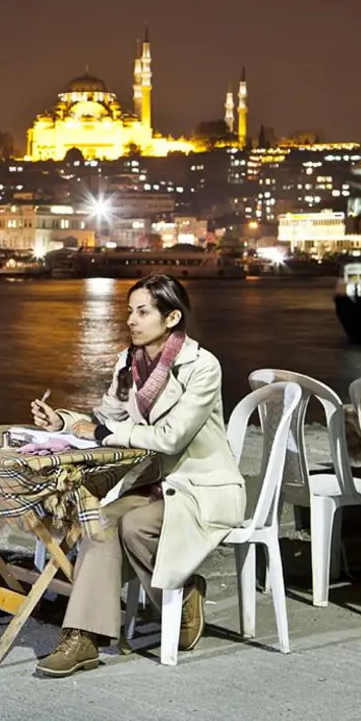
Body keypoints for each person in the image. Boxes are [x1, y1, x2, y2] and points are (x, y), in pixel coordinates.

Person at [28, 274, 245, 677]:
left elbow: (170, 436)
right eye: (130, 311)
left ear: (172, 317)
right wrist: (61, 420)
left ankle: (179, 598)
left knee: (132, 526)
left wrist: (102, 432)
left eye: (143, 312)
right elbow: (103, 418)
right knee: (100, 522)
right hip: (156, 485)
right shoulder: (130, 362)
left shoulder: (202, 367)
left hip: (201, 486)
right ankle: (83, 638)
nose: (131, 320)